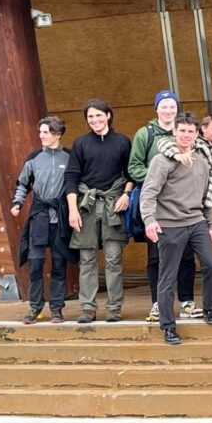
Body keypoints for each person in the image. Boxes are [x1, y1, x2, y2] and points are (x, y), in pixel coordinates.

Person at [139, 112, 212, 345]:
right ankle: (168, 326)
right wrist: (149, 220)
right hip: (169, 225)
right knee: (167, 276)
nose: (186, 135)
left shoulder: (202, 162)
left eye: (190, 131)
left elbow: (207, 199)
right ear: (174, 132)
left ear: (197, 135)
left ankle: (209, 308)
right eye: (182, 130)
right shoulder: (161, 160)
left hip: (196, 222)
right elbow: (148, 194)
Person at [128, 90, 200, 323]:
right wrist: (158, 178)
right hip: (157, 207)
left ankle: (187, 301)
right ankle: (158, 303)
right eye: (164, 106)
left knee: (186, 255)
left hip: (184, 206)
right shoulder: (145, 134)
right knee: (156, 257)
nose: (168, 110)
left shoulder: (185, 132)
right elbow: (134, 167)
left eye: (172, 106)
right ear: (156, 108)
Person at [64, 99, 132, 324]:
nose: (94, 120)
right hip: (87, 205)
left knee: (114, 258)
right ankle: (88, 308)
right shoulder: (80, 143)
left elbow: (130, 174)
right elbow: (72, 177)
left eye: (98, 115)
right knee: (87, 258)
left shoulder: (122, 141)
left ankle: (114, 307)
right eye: (90, 117)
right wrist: (73, 210)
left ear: (108, 116)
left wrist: (126, 194)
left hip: (113, 203)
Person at [13, 116, 73, 324]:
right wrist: (17, 203)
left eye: (45, 132)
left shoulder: (69, 157)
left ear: (57, 134)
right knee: (36, 263)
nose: (41, 136)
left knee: (59, 263)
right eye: (40, 132)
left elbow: (75, 184)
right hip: (39, 215)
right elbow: (22, 183)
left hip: (60, 216)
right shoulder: (34, 157)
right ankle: (35, 308)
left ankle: (57, 309)